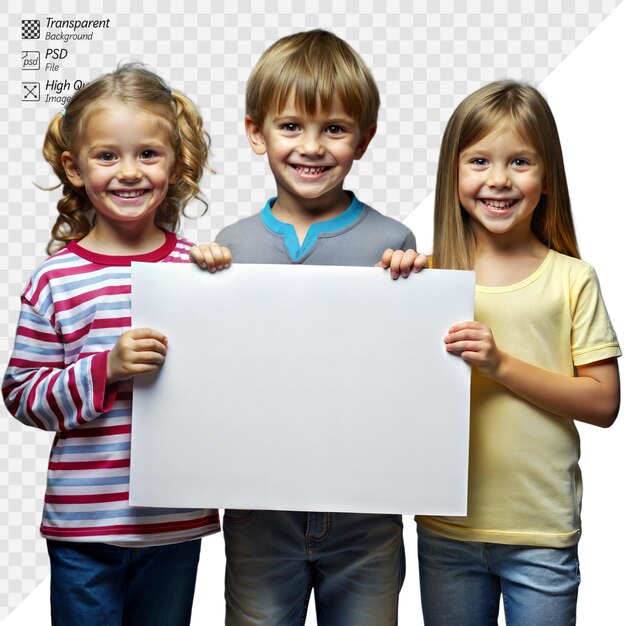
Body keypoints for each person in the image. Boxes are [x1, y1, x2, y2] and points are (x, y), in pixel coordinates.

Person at [192, 29, 417, 626]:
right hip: (258, 515)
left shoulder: (393, 243)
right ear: (255, 133)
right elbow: (211, 379)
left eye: (335, 129)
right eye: (291, 126)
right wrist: (198, 281)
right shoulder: (230, 246)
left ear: (364, 139)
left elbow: (409, 379)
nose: (312, 147)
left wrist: (417, 283)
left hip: (366, 516)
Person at [380, 80, 621, 625]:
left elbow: (604, 404)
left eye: (519, 162)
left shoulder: (572, 278)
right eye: (480, 161)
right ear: (453, 174)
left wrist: (500, 364)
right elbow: (384, 389)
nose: (498, 179)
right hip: (446, 528)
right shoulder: (427, 276)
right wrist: (385, 295)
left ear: (546, 178)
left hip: (540, 531)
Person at [2, 63, 230, 626]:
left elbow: (234, 387)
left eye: (148, 154)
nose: (129, 172)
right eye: (107, 156)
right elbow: (21, 397)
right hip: (85, 523)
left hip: (172, 521)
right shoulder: (55, 279)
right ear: (73, 169)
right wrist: (105, 368)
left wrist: (231, 283)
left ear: (176, 165)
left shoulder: (198, 268)